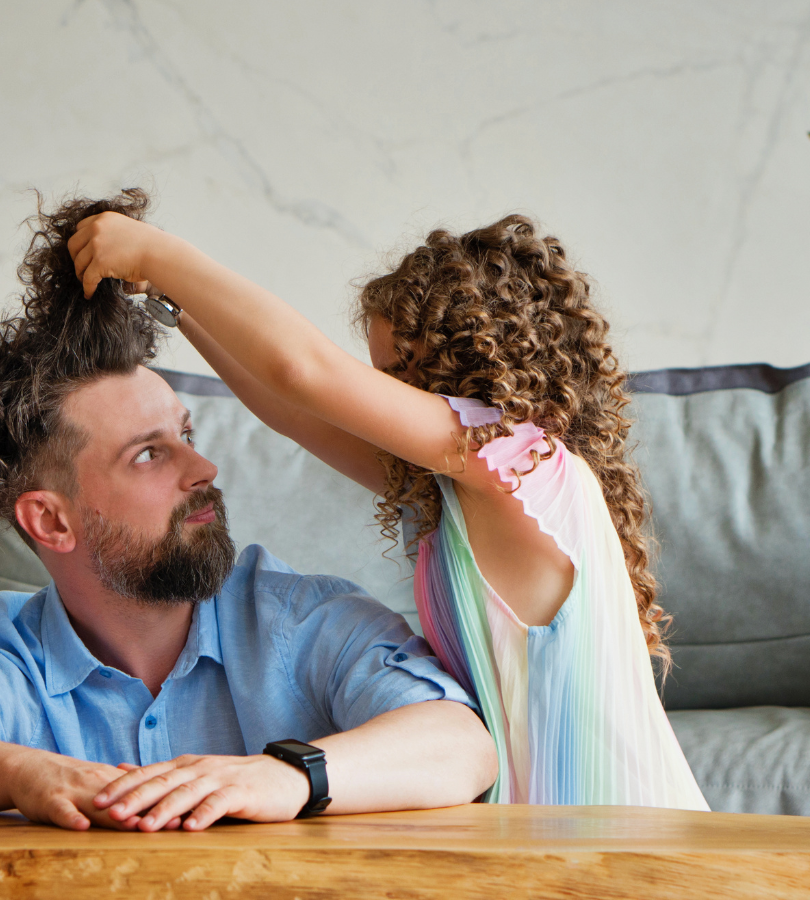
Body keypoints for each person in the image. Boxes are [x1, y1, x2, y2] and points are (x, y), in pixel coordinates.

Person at [0, 191, 498, 832]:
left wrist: (286, 778)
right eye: (149, 455)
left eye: (187, 437)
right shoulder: (13, 654)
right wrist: (24, 774)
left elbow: (463, 746)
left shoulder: (298, 621)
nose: (202, 471)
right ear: (51, 521)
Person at [67, 198, 709, 810]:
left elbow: (304, 373)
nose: (375, 400)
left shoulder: (522, 466)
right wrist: (172, 306)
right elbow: (292, 410)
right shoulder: (463, 490)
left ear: (473, 365)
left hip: (629, 833)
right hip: (546, 839)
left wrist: (158, 253)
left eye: (397, 377)